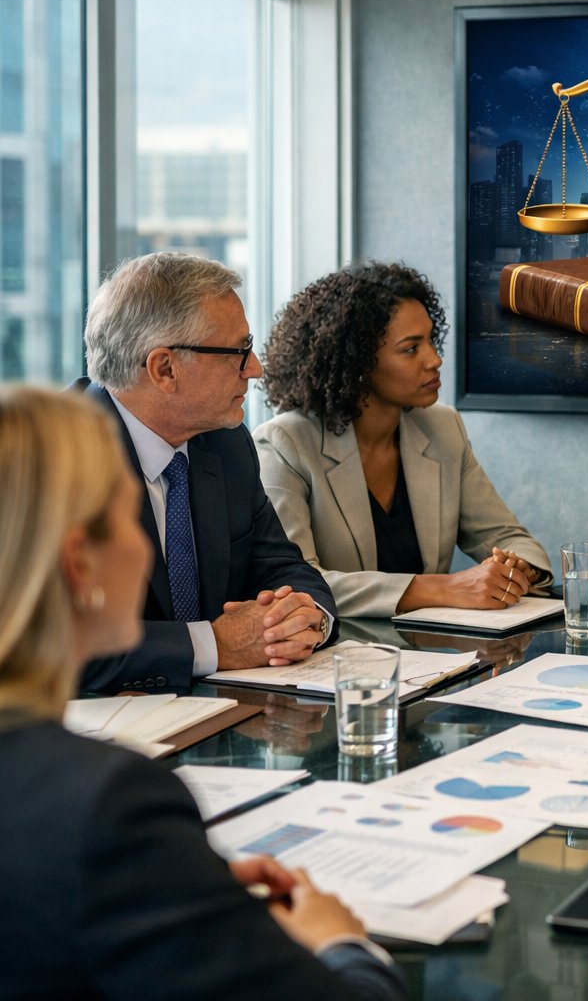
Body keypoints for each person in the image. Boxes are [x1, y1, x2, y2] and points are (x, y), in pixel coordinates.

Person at [0, 387, 404, 1000]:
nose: (147, 544)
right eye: (127, 515)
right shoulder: (113, 803)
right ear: (79, 562)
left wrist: (182, 889)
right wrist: (343, 943)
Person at [77, 252, 336, 694]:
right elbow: (51, 641)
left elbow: (283, 568)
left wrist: (304, 618)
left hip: (222, 713)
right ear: (165, 369)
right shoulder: (51, 460)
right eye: (239, 352)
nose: (255, 369)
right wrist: (215, 643)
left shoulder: (226, 443)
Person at [255, 261, 551, 618]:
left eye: (431, 340)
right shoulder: (285, 444)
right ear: (358, 363)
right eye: (411, 349)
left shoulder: (442, 427)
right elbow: (293, 584)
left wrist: (514, 570)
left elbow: (506, 536)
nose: (434, 359)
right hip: (337, 649)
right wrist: (445, 588)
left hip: (429, 646)